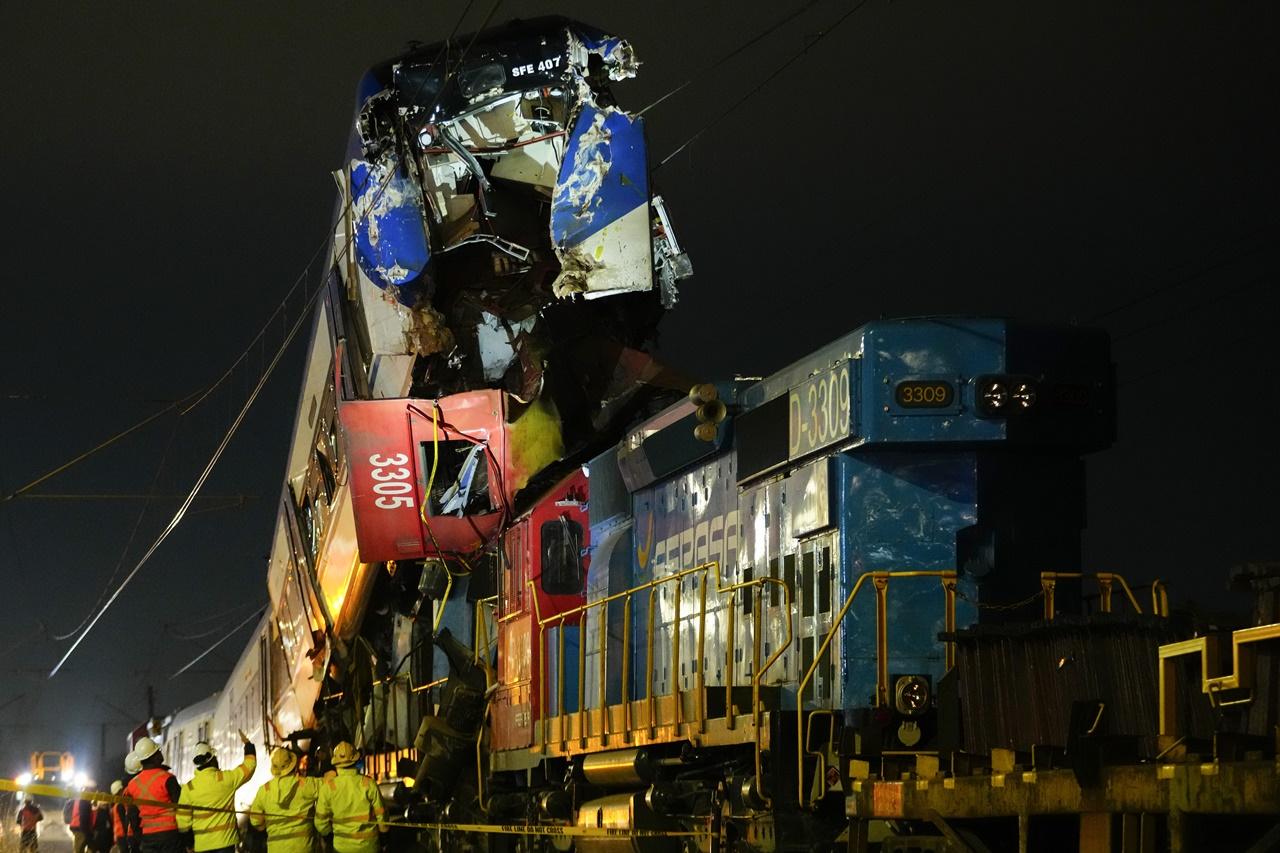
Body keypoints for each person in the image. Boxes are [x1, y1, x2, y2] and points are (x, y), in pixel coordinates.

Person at [176, 734, 256, 853]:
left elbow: (183, 823)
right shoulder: (226, 779)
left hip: (202, 846)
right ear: (213, 759)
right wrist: (248, 746)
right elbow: (249, 767)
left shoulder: (188, 788)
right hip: (226, 843)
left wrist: (189, 844)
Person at [314, 743, 386, 853]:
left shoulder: (328, 788)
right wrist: (384, 838)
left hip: (341, 848)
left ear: (335, 763)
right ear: (356, 761)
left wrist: (330, 837)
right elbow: (382, 816)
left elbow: (320, 823)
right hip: (369, 847)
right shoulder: (368, 784)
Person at [248, 748, 319, 853]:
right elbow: (330, 789)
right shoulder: (307, 784)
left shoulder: (264, 790)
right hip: (303, 848)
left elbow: (255, 821)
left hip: (276, 849)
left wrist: (267, 826)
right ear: (292, 765)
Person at [122, 738, 182, 853]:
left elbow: (132, 816)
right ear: (154, 757)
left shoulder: (132, 785)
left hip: (148, 837)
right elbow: (181, 808)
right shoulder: (167, 778)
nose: (161, 753)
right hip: (170, 835)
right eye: (158, 751)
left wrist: (141, 840)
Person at [107, 782, 130, 853]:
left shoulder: (115, 806)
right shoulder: (120, 805)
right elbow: (123, 821)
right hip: (122, 834)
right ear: (120, 791)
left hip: (118, 834)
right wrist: (127, 835)